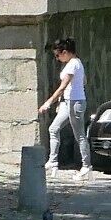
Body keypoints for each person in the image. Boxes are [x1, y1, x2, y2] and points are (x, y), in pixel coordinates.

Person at [36, 36, 91, 178]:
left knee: (79, 135)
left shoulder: (73, 64)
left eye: (57, 55)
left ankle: (86, 166)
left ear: (65, 52)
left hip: (75, 103)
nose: (57, 58)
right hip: (68, 102)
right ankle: (53, 161)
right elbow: (83, 81)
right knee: (53, 128)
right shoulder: (75, 63)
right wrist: (62, 101)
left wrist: (48, 102)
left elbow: (63, 86)